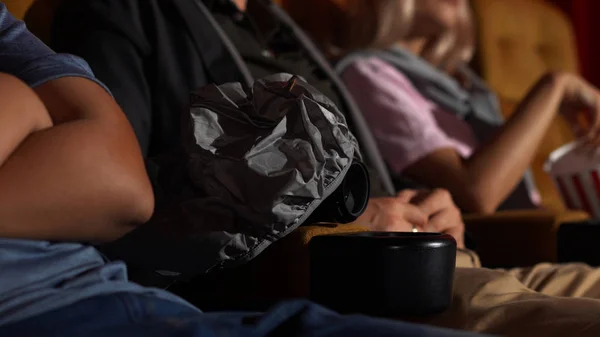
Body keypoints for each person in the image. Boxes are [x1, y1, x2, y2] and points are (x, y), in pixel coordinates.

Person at [50, 0, 600, 336]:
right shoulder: (122, 10)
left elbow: (363, 171)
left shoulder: (279, 25)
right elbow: (115, 205)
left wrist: (431, 203)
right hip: (349, 279)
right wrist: (340, 226)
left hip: (442, 257)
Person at [337, 0, 600, 214]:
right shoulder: (366, 73)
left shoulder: (458, 87)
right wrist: (555, 84)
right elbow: (478, 195)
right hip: (497, 248)